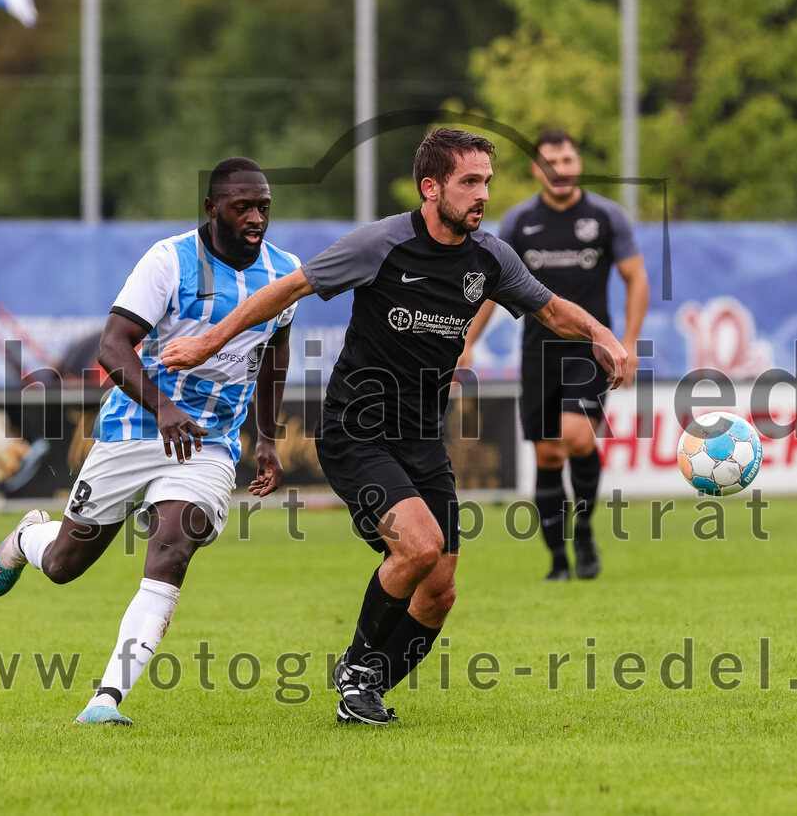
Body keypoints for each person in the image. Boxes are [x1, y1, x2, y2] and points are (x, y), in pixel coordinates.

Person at [161, 128, 628, 726]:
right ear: (430, 188)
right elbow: (289, 288)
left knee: (441, 590)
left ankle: (368, 688)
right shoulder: (381, 243)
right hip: (356, 431)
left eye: (487, 181)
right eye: (469, 181)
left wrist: (603, 336)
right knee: (421, 546)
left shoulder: (491, 256)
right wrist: (207, 341)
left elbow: (551, 308)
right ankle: (357, 669)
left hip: (422, 439)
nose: (483, 194)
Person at [0, 157, 297, 725]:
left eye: (264, 207)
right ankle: (30, 539)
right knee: (63, 564)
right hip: (134, 427)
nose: (256, 218)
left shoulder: (284, 272)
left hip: (209, 440)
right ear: (212, 209)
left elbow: (275, 352)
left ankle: (106, 701)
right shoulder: (169, 260)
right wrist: (165, 408)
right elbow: (112, 346)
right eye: (242, 207)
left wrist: (267, 437)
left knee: (175, 542)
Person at [459, 129, 649, 582]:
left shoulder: (606, 218)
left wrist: (630, 342)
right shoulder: (520, 222)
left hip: (590, 351)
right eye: (551, 162)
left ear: (577, 164)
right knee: (547, 456)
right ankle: (559, 560)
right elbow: (493, 287)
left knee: (577, 438)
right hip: (538, 351)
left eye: (567, 160)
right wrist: (467, 342)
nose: (560, 170)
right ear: (536, 169)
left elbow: (636, 278)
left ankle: (583, 530)